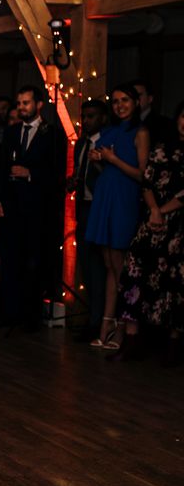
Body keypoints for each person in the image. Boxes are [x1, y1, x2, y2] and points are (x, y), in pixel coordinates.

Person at [113, 101, 184, 365]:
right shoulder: (161, 148)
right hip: (151, 219)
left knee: (173, 281)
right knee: (134, 272)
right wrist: (154, 210)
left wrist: (162, 211)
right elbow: (147, 179)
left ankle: (173, 346)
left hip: (177, 225)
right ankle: (131, 340)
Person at [0, 85, 65, 331]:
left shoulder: (52, 134)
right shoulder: (11, 133)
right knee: (10, 261)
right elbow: (1, 167)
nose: (21, 107)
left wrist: (31, 173)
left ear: (39, 105)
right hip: (11, 206)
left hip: (37, 208)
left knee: (33, 262)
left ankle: (30, 316)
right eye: (19, 103)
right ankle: (9, 312)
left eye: (26, 103)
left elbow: (57, 173)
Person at [85, 83, 150, 349]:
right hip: (105, 197)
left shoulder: (141, 132)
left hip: (125, 198)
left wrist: (112, 159)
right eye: (115, 101)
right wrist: (98, 159)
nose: (119, 105)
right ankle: (107, 323)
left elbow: (143, 174)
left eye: (125, 100)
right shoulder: (109, 131)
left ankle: (123, 328)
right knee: (109, 265)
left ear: (136, 103)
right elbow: (105, 167)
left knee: (121, 266)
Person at [68, 100, 108, 340]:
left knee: (98, 266)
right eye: (84, 116)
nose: (86, 120)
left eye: (92, 116)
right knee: (85, 262)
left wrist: (101, 163)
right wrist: (73, 181)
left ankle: (99, 321)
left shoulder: (107, 143)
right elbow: (78, 172)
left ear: (102, 118)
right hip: (82, 205)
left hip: (100, 207)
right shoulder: (81, 143)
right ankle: (91, 317)